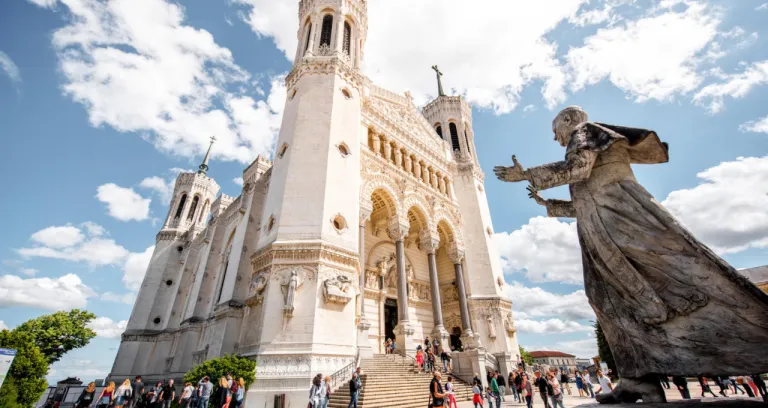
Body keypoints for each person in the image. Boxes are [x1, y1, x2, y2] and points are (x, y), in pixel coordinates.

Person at [494, 105, 768, 404]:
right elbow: (583, 201)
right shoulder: (589, 140)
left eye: (556, 129)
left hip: (619, 217)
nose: (556, 138)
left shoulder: (585, 132)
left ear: (569, 120)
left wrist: (526, 175)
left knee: (664, 280)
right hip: (601, 223)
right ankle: (637, 379)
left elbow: (579, 169)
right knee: (605, 297)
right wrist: (550, 205)